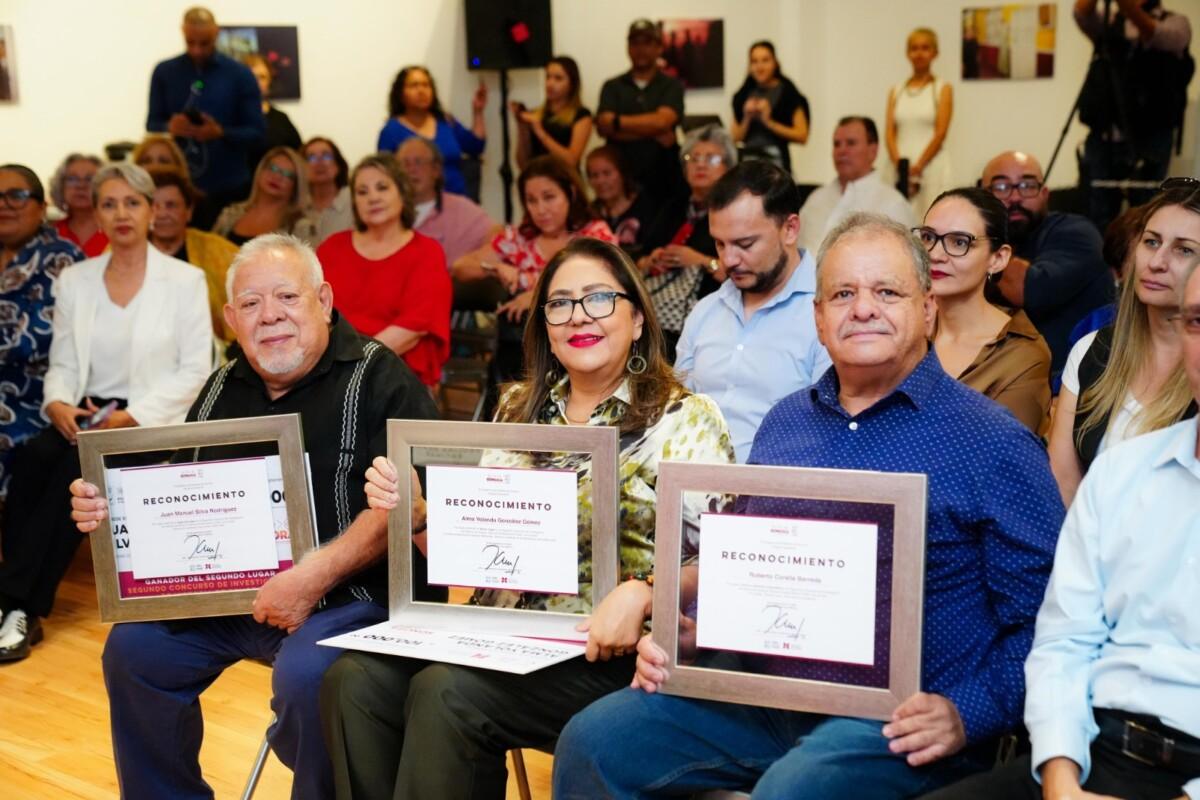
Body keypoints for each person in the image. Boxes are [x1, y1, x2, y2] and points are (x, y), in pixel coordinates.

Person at [553, 212, 1066, 799]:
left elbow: (1050, 622)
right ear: (818, 319)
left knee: (792, 792)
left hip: (900, 718)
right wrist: (696, 637)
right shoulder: (786, 423)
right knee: (595, 740)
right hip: (764, 696)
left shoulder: (991, 443)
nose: (863, 309)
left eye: (887, 292)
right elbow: (750, 569)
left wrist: (967, 712)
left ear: (927, 309)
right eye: (843, 294)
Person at [320, 236, 736, 799]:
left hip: (607, 651)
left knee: (448, 692)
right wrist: (419, 519)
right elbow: (481, 548)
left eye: (598, 299)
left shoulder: (684, 418)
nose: (577, 317)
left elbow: (719, 561)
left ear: (638, 319)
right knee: (355, 680)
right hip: (501, 634)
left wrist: (645, 590)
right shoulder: (517, 408)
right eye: (559, 303)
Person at [67, 233, 440, 799]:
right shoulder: (221, 386)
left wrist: (313, 576)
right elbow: (181, 494)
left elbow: (406, 507)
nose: (270, 317)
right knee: (135, 652)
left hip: (357, 600)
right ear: (230, 319)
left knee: (309, 677)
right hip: (238, 597)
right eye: (251, 304)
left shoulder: (380, 378)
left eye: (287, 297)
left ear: (324, 299)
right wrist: (110, 511)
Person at [918, 257, 1200, 800]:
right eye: (1197, 322)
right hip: (1093, 748)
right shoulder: (1122, 471)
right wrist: (1060, 774)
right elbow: (1064, 639)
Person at [0, 163, 212, 663]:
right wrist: (57, 403)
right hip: (88, 413)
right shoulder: (76, 280)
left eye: (132, 203)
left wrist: (131, 416)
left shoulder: (185, 280)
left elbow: (196, 372)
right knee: (33, 458)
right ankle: (13, 599)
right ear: (95, 214)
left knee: (72, 475)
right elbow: (64, 363)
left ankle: (20, 607)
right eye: (109, 204)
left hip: (150, 421)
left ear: (151, 211)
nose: (121, 214)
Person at [1046, 179, 1199, 507]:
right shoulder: (1092, 351)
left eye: (1184, 249)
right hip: (1087, 548)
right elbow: (1064, 484)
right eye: (1151, 242)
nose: (1157, 262)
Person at [675, 159, 830, 463]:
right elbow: (678, 411)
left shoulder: (827, 311)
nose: (728, 260)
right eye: (719, 244)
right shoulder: (705, 312)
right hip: (693, 489)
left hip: (779, 493)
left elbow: (828, 432)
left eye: (744, 243)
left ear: (790, 228)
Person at [453, 155, 616, 391]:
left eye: (549, 197)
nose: (540, 209)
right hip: (522, 346)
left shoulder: (594, 234)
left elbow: (600, 280)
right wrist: (494, 268)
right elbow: (460, 267)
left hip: (580, 338)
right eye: (531, 200)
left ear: (570, 193)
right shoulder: (520, 238)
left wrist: (537, 296)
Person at [917, 188, 1052, 434]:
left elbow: (1003, 455)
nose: (935, 255)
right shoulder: (904, 328)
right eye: (928, 238)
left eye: (959, 242)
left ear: (998, 258)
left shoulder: (1022, 355)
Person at [318, 154, 451, 388]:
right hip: (327, 368)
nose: (373, 198)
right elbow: (311, 311)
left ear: (402, 193)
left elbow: (413, 328)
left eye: (382, 187)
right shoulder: (331, 248)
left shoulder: (427, 252)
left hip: (394, 373)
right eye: (362, 192)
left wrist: (354, 363)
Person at [981, 150, 1115, 378]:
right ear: (983, 197)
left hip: (1073, 385)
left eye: (1027, 185)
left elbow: (1030, 289)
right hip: (1006, 375)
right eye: (1002, 187)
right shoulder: (997, 241)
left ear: (1044, 194)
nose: (1015, 197)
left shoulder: (1075, 232)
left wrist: (975, 241)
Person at [0, 164, 85, 494]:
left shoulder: (61, 258)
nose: (4, 204)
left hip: (37, 392)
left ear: (41, 205)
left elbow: (33, 338)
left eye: (17, 195)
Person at [1074, 0, 1194, 230]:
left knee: (1147, 212)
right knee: (1096, 212)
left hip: (1152, 137)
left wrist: (1128, 7)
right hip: (1105, 136)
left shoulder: (1177, 23)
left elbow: (1155, 34)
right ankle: (1100, 263)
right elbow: (1082, 13)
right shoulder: (1111, 25)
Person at [146, 6, 265, 230]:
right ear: (183, 32)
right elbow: (152, 125)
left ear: (216, 34)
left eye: (204, 43)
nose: (197, 50)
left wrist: (221, 133)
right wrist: (170, 127)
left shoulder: (239, 75)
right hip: (178, 189)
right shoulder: (165, 72)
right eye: (191, 42)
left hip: (229, 187)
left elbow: (257, 132)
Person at [637, 124, 734, 361]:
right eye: (693, 158)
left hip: (711, 314)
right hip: (656, 310)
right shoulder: (671, 207)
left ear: (729, 168)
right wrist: (652, 259)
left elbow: (737, 275)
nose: (700, 165)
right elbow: (638, 262)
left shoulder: (733, 213)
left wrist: (699, 261)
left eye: (711, 158)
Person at [596, 19, 687, 201]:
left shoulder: (672, 86)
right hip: (620, 185)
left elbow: (663, 121)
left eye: (647, 43)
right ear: (628, 48)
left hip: (664, 181)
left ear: (659, 47)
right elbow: (604, 126)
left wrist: (618, 124)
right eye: (635, 43)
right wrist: (653, 131)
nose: (641, 49)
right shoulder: (612, 86)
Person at [148, 167, 240, 343]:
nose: (161, 214)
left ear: (189, 211)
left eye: (171, 205)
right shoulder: (123, 253)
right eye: (154, 206)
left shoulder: (218, 250)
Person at [798, 116, 914, 254]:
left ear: (873, 150)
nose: (842, 151)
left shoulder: (892, 204)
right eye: (837, 144)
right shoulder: (816, 198)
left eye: (851, 143)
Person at [377, 65, 487, 198]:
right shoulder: (391, 131)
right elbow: (384, 175)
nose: (421, 90)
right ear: (401, 94)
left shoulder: (446, 122)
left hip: (458, 201)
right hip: (415, 206)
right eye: (414, 85)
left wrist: (478, 112)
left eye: (426, 85)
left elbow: (476, 146)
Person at [398, 137, 498, 268]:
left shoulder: (460, 209)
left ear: (436, 170)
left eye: (418, 162)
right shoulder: (387, 212)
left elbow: (497, 236)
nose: (411, 170)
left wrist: (471, 263)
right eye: (405, 164)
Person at [886, 28, 954, 214]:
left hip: (931, 168)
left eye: (925, 48)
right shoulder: (897, 90)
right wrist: (901, 167)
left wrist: (918, 167)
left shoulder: (942, 88)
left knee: (930, 218)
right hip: (899, 167)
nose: (919, 53)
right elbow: (890, 132)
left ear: (935, 53)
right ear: (908, 53)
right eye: (914, 48)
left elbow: (941, 132)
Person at [729, 40, 810, 175]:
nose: (760, 67)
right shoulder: (743, 94)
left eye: (765, 60)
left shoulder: (787, 93)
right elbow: (734, 138)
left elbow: (802, 135)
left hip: (777, 161)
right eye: (754, 61)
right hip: (749, 160)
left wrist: (768, 122)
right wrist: (747, 118)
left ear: (775, 63)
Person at [213, 146, 317, 246]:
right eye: (273, 168)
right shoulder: (230, 214)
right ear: (260, 170)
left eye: (287, 175)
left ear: (297, 186)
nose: (277, 177)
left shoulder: (301, 227)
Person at [513, 55, 593, 171]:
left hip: (565, 179)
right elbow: (522, 163)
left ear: (572, 84)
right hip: (538, 178)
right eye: (548, 77)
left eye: (558, 78)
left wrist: (540, 131)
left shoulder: (582, 115)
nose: (550, 83)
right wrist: (522, 127)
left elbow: (571, 160)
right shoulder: (536, 114)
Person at [585, 145, 656, 259]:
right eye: (594, 175)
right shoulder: (589, 215)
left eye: (607, 173)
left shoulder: (645, 206)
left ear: (621, 173)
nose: (601, 181)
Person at [244, 52, 302, 175]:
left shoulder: (281, 120)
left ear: (269, 81)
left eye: (262, 77)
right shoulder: (228, 117)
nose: (256, 82)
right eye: (251, 76)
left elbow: (298, 159)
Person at [49, 153, 108, 258]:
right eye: (72, 179)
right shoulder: (50, 235)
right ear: (60, 186)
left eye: (90, 179)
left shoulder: (116, 230)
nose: (81, 185)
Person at [302, 136, 354, 244]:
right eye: (311, 158)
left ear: (338, 165)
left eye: (326, 156)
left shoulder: (354, 199)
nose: (319, 162)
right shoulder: (298, 206)